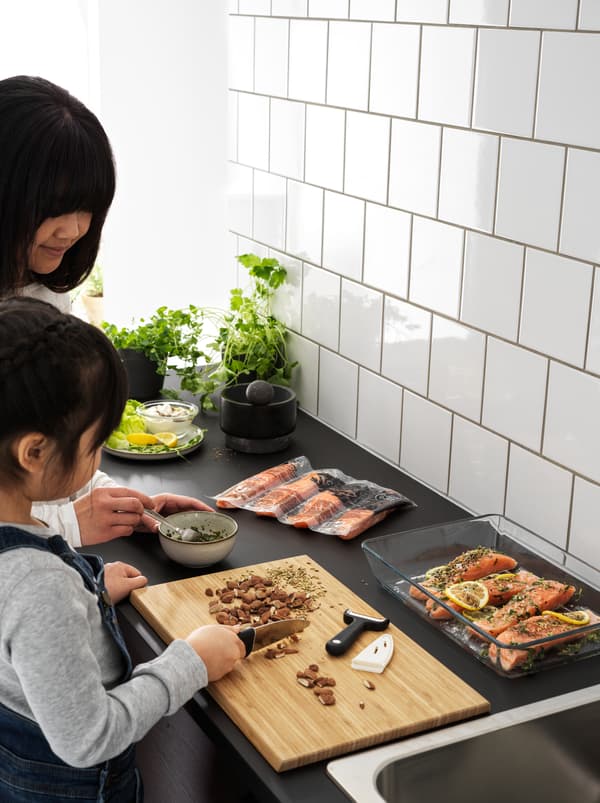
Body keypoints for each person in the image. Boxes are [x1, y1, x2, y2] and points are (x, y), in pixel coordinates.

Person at [0, 297, 245, 802]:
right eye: (95, 444)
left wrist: (85, 604)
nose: (97, 460)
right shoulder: (38, 586)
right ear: (34, 451)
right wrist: (190, 663)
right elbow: (89, 737)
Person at [0, 74, 209, 547]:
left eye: (88, 207)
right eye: (55, 207)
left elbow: (38, 447)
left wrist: (114, 502)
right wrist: (67, 528)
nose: (74, 229)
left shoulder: (40, 293)